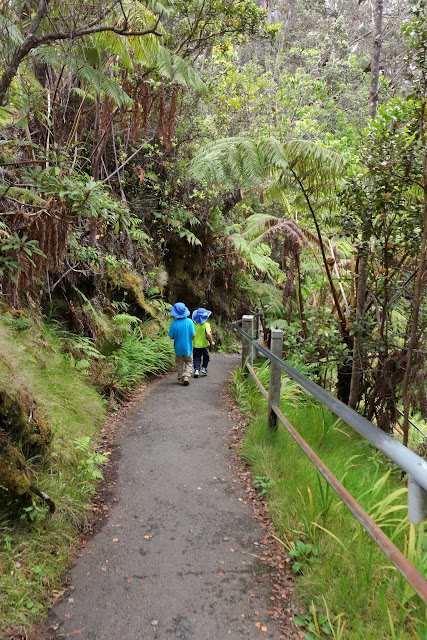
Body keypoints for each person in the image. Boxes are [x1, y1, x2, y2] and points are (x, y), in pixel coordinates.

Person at [168, 302, 195, 386]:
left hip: (178, 348)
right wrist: (190, 339)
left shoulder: (174, 324)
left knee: (179, 363)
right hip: (188, 347)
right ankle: (186, 376)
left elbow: (171, 336)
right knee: (189, 362)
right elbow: (193, 334)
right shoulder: (190, 322)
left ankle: (180, 378)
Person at [192, 307, 215, 378]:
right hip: (205, 345)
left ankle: (196, 370)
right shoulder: (206, 324)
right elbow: (208, 334)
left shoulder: (193, 324)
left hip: (195, 345)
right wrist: (211, 342)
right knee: (206, 357)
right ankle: (204, 368)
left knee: (196, 357)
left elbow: (192, 334)